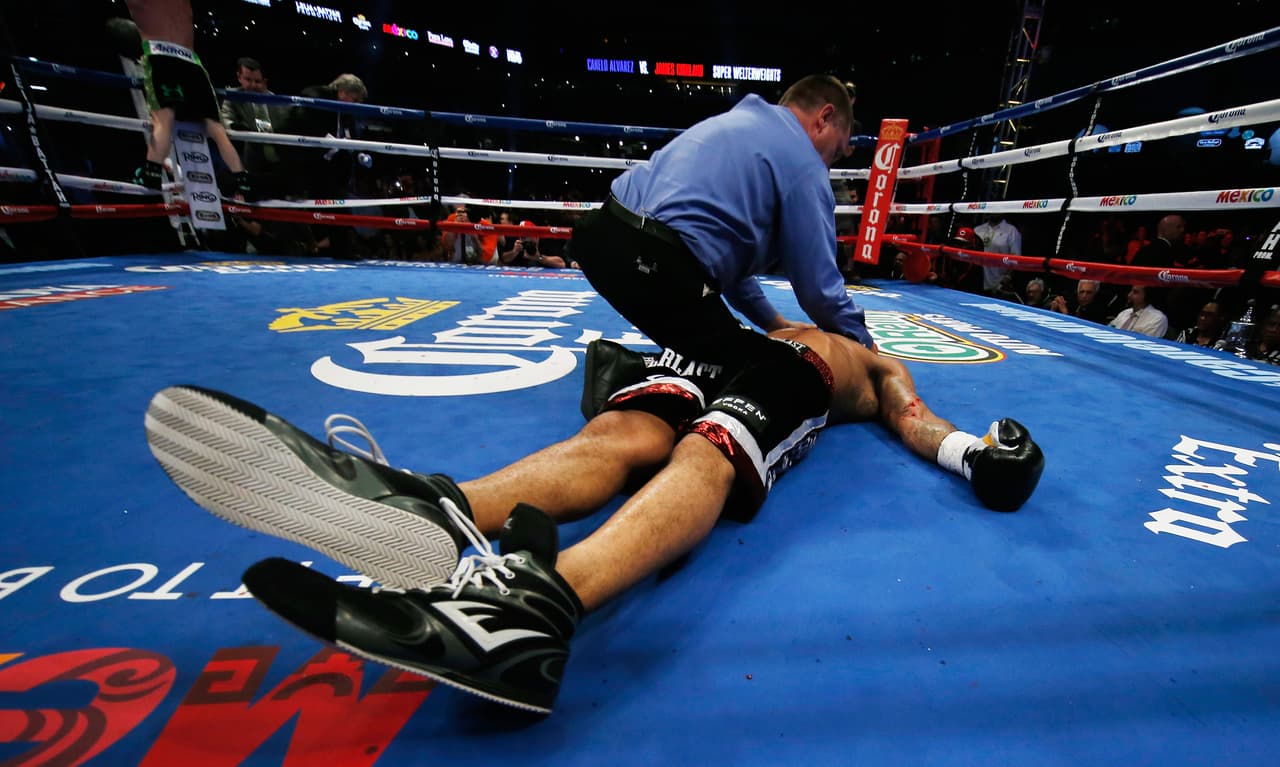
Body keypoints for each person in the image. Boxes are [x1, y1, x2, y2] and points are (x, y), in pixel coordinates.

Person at [144, 328, 1044, 714]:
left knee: (708, 454)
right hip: (707, 342)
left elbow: (908, 414)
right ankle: (435, 504)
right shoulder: (770, 296)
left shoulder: (858, 351)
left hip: (789, 370)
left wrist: (973, 449)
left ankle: (536, 609)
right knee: (621, 431)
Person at [121, 0, 251, 200]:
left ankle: (152, 172)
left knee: (163, 118)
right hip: (193, 63)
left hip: (160, 55)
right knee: (216, 129)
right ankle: (243, 180)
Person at [219, 57, 285, 194]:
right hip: (250, 157)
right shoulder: (233, 97)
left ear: (264, 81)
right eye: (248, 80)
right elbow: (226, 120)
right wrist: (241, 128)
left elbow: (286, 125)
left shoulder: (275, 100)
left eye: (257, 81)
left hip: (278, 158)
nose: (253, 85)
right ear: (239, 77)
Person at [973, 213, 1022, 297]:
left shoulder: (1011, 231)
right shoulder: (978, 229)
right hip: (977, 280)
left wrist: (1007, 278)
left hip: (998, 283)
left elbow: (1016, 258)